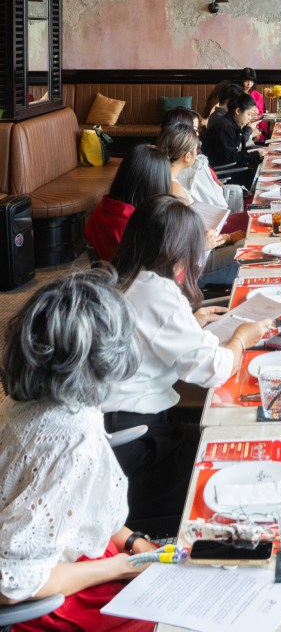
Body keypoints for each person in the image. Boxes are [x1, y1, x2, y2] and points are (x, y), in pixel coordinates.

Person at [0, 270, 153, 632]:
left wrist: (130, 541)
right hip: (43, 594)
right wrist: (121, 567)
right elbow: (13, 582)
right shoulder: (72, 435)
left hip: (63, 562)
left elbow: (74, 506)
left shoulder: (28, 399)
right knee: (167, 608)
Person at [104, 196, 269, 529]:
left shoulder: (123, 278)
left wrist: (191, 322)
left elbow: (150, 340)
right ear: (177, 251)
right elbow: (214, 369)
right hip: (136, 449)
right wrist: (241, 338)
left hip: (121, 426)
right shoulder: (157, 293)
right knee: (240, 466)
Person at [157, 124, 244, 291]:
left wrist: (226, 238)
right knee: (248, 251)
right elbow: (184, 241)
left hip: (194, 254)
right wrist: (225, 238)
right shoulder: (174, 190)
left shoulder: (162, 178)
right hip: (192, 265)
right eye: (196, 149)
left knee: (246, 244)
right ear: (187, 156)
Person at [85, 144, 171, 262]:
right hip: (135, 273)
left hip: (106, 272)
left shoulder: (99, 210)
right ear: (158, 185)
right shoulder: (137, 225)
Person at [202, 88, 263, 186]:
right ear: (238, 111)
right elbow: (231, 158)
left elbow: (236, 151)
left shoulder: (230, 123)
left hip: (232, 168)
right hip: (227, 174)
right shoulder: (225, 127)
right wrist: (256, 155)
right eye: (248, 114)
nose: (249, 118)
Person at [239, 67, 267, 142]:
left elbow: (260, 114)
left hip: (255, 125)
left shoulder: (258, 95)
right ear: (242, 81)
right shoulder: (236, 94)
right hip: (240, 125)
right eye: (246, 81)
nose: (249, 84)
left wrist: (257, 129)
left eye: (251, 81)